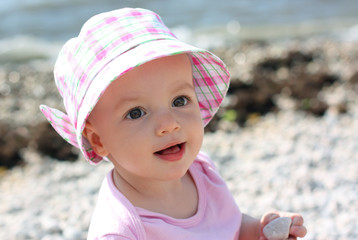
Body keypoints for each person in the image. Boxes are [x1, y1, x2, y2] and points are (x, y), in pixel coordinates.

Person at [40, 8, 307, 240]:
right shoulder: (121, 231)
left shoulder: (202, 170)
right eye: (136, 113)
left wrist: (260, 231)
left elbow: (231, 227)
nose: (169, 124)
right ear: (98, 140)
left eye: (179, 100)